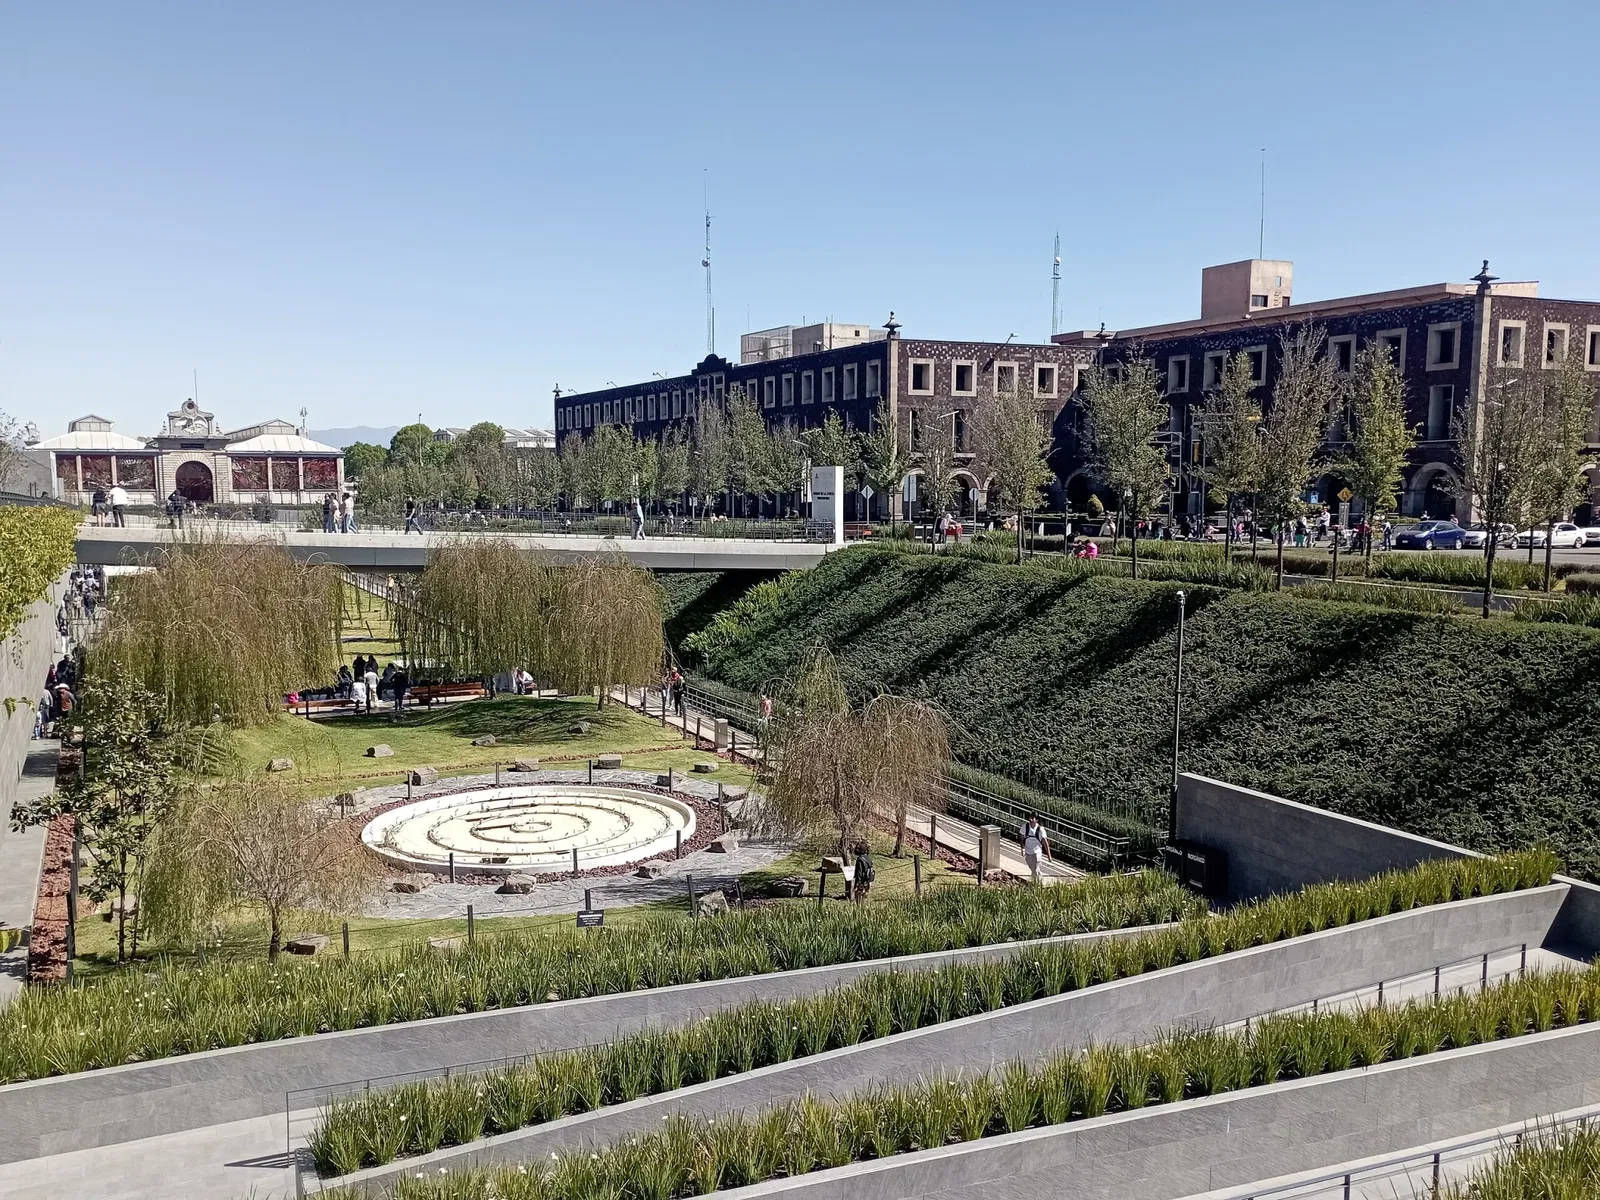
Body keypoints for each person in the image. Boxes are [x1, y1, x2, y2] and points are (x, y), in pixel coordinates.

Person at [1020, 814, 1051, 884]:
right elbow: (1021, 838)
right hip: (1028, 852)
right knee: (1032, 868)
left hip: (1037, 852)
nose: (1030, 819)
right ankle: (1038, 879)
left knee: (1036, 868)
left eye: (1032, 818)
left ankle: (1036, 883)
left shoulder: (1040, 829)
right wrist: (1022, 849)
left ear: (1036, 820)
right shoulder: (1025, 827)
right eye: (1030, 817)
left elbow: (1045, 842)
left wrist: (1049, 855)